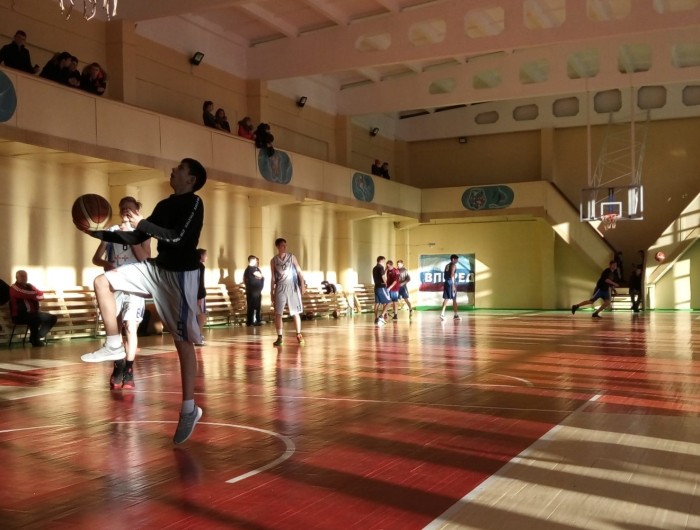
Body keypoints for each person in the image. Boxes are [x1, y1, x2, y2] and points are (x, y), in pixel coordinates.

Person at [80, 158, 207, 445]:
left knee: (182, 342)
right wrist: (95, 232)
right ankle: (114, 344)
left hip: (181, 276)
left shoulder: (194, 203)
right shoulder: (164, 205)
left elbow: (178, 238)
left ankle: (189, 409)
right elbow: (138, 235)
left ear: (191, 179)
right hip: (157, 269)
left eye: (180, 169)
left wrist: (144, 223)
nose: (173, 170)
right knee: (102, 281)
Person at [91, 196, 151, 389]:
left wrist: (130, 238)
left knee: (130, 327)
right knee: (115, 328)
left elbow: (145, 258)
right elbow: (95, 258)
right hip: (114, 283)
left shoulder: (143, 232)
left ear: (137, 210)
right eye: (123, 207)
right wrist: (106, 263)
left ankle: (129, 369)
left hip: (134, 283)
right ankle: (119, 365)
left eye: (130, 208)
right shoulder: (111, 231)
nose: (126, 210)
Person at [270, 238, 305, 345]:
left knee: (295, 312)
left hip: (292, 287)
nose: (285, 247)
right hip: (280, 287)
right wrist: (271, 292)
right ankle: (279, 337)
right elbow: (273, 277)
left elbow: (299, 271)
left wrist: (302, 284)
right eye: (282, 245)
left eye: (285, 245)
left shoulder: (291, 257)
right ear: (278, 247)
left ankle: (299, 334)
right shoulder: (273, 260)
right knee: (278, 313)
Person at [9, 270, 58, 347]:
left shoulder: (30, 286)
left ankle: (38, 336)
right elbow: (23, 293)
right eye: (21, 276)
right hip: (20, 315)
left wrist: (32, 295)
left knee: (52, 318)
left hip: (33, 313)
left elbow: (41, 296)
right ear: (16, 277)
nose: (24, 278)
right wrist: (34, 294)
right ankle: (35, 340)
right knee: (35, 319)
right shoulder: (14, 287)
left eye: (25, 276)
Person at [243, 255, 264, 326]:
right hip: (252, 291)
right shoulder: (250, 269)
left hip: (257, 291)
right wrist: (259, 276)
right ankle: (251, 321)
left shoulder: (255, 268)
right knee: (252, 306)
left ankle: (257, 320)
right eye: (255, 260)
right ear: (252, 260)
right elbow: (260, 275)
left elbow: (261, 276)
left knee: (257, 306)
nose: (256, 262)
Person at [440, 254, 461, 321]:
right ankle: (453, 315)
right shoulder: (453, 265)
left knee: (447, 298)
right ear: (453, 259)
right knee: (453, 299)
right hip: (451, 283)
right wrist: (453, 285)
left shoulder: (447, 265)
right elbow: (452, 275)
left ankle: (445, 314)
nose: (457, 261)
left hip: (447, 282)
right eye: (456, 260)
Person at [372, 256, 391, 326]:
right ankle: (382, 316)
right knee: (389, 302)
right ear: (382, 260)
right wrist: (387, 284)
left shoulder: (375, 268)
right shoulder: (381, 267)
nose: (384, 262)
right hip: (381, 287)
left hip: (376, 287)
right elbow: (383, 277)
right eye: (384, 260)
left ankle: (376, 318)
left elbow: (380, 275)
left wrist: (385, 269)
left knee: (377, 303)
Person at [196, 248, 207, 345]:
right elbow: (199, 281)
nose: (206, 257)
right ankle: (198, 335)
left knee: (199, 315)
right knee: (201, 315)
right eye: (205, 255)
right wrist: (199, 296)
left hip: (196, 293)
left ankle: (197, 335)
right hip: (198, 294)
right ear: (201, 256)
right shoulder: (200, 266)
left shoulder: (195, 265)